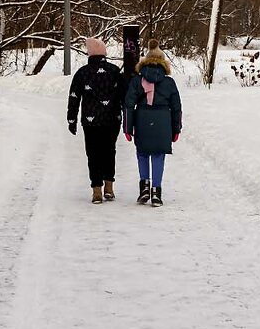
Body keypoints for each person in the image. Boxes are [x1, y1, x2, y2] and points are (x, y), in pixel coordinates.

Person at [123, 39, 182, 208]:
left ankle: (144, 188)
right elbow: (177, 107)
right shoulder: (169, 82)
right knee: (158, 154)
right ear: (163, 62)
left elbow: (128, 104)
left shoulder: (137, 80)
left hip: (142, 119)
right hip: (163, 120)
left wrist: (128, 127)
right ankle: (156, 192)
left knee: (142, 153)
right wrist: (176, 128)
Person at [67, 37, 125, 204]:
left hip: (90, 122)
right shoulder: (114, 71)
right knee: (109, 151)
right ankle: (109, 187)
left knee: (93, 154)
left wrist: (72, 119)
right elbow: (124, 96)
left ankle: (96, 190)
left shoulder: (82, 73)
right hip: (112, 120)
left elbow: (74, 98)